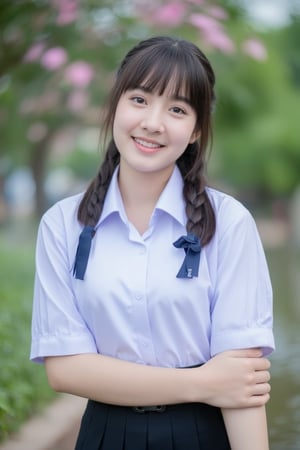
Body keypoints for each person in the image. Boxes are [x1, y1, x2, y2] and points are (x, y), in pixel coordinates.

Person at [30, 36, 275, 450]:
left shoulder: (229, 224)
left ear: (196, 129)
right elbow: (65, 371)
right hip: (104, 436)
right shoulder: (62, 225)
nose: (153, 123)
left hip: (204, 436)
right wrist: (201, 381)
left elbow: (241, 385)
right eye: (140, 99)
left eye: (177, 109)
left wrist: (222, 386)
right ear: (115, 105)